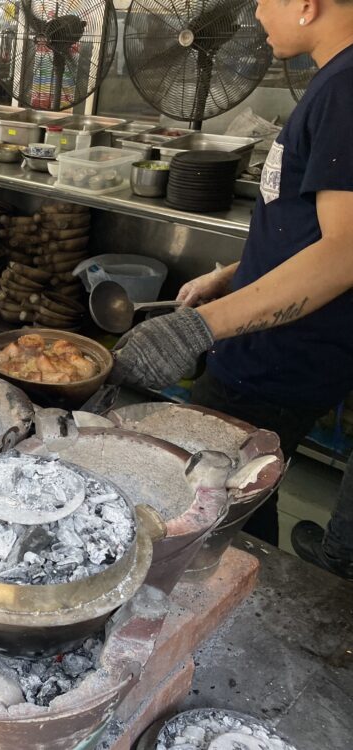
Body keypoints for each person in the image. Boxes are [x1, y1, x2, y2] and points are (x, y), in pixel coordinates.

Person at [109, 0, 353, 558]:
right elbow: (309, 229)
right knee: (245, 492)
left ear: (306, 5)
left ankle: (233, 583)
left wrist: (196, 329)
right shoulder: (333, 80)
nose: (258, 14)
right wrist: (233, 273)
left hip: (277, 357)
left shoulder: (346, 88)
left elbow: (343, 254)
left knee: (217, 497)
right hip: (274, 341)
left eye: (265, 0)